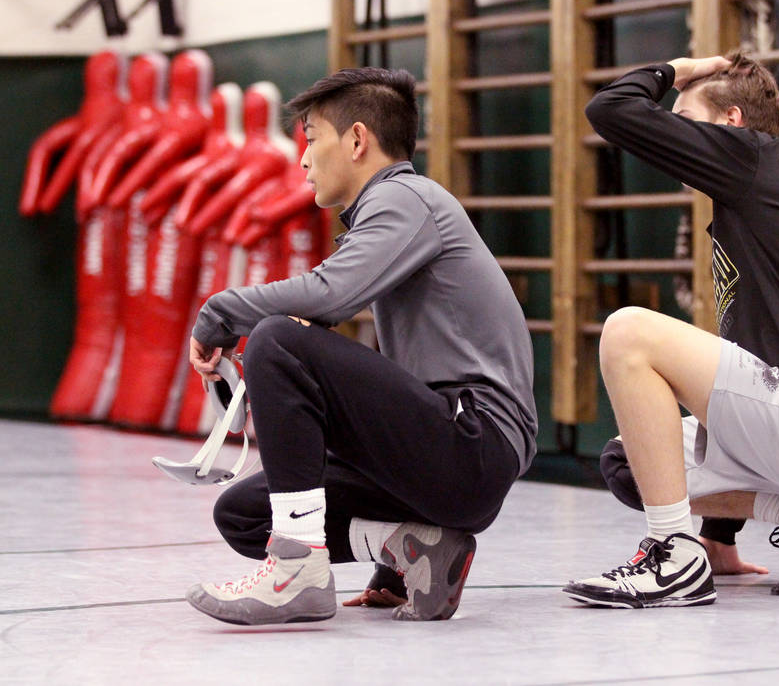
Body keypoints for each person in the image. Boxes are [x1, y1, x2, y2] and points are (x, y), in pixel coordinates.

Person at [183, 67, 538, 624]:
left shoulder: (406, 197)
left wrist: (218, 314)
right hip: (444, 457)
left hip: (475, 445)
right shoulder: (392, 210)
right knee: (245, 514)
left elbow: (330, 294)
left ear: (356, 140)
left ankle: (295, 571)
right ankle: (411, 553)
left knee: (279, 337)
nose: (302, 159)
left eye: (311, 140)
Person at [563, 53, 779, 608]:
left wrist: (678, 67)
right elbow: (756, 360)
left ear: (731, 122)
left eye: (684, 115)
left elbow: (610, 109)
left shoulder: (750, 161)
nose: (673, 127)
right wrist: (721, 538)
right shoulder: (773, 185)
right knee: (632, 462)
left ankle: (672, 557)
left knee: (628, 333)